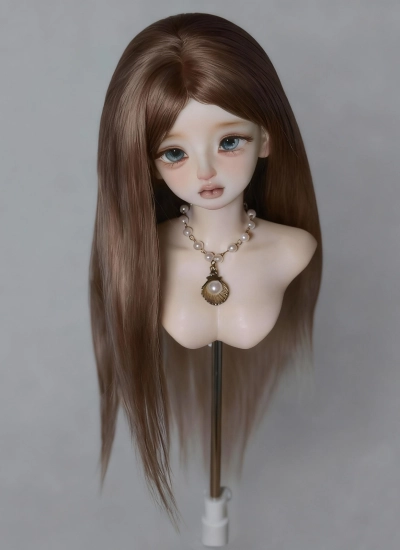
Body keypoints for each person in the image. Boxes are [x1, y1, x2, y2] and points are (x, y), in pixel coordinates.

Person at [89, 12, 323, 531]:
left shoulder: (294, 249)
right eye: (174, 152)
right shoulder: (143, 256)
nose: (205, 171)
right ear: (147, 165)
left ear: (266, 138)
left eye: (229, 142)